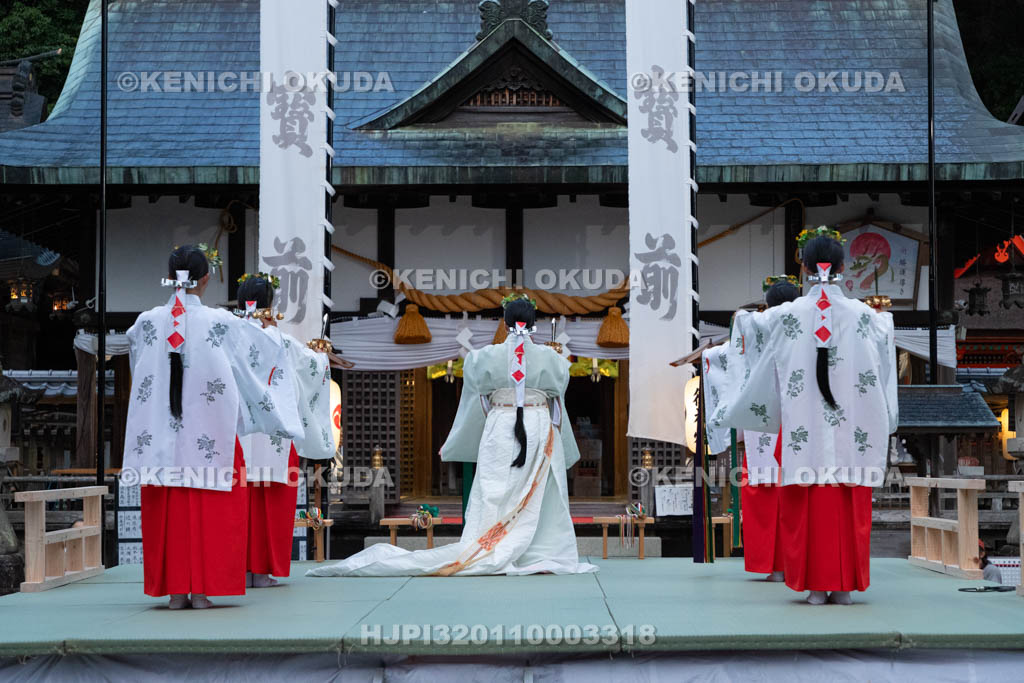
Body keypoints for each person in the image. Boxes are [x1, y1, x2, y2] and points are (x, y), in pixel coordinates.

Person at [309, 294, 597, 577]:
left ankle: (492, 545)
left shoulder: (482, 358)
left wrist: (464, 435)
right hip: (537, 424)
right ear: (534, 323)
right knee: (543, 492)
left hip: (500, 423)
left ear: (505, 322)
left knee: (495, 487)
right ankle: (541, 552)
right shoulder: (553, 359)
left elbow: (475, 402)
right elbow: (558, 397)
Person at [718, 230, 898, 605]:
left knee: (809, 504)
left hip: (806, 430)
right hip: (853, 431)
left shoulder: (785, 316)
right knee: (849, 502)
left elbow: (746, 328)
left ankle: (815, 586)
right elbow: (883, 368)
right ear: (844, 267)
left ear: (803, 268)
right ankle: (844, 587)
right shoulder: (871, 319)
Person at [121, 246, 302, 609]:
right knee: (210, 510)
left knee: (167, 511)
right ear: (205, 280)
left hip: (158, 433)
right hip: (211, 433)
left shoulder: (144, 322)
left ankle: (175, 594)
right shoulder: (223, 323)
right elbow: (261, 362)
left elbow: (136, 360)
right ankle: (202, 592)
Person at [235, 274, 335, 588]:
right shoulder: (281, 341)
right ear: (270, 305)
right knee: (272, 503)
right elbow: (313, 367)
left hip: (239, 430)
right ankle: (263, 572)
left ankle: (238, 569)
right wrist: (322, 354)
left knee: (239, 502)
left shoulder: (229, 334)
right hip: (275, 432)